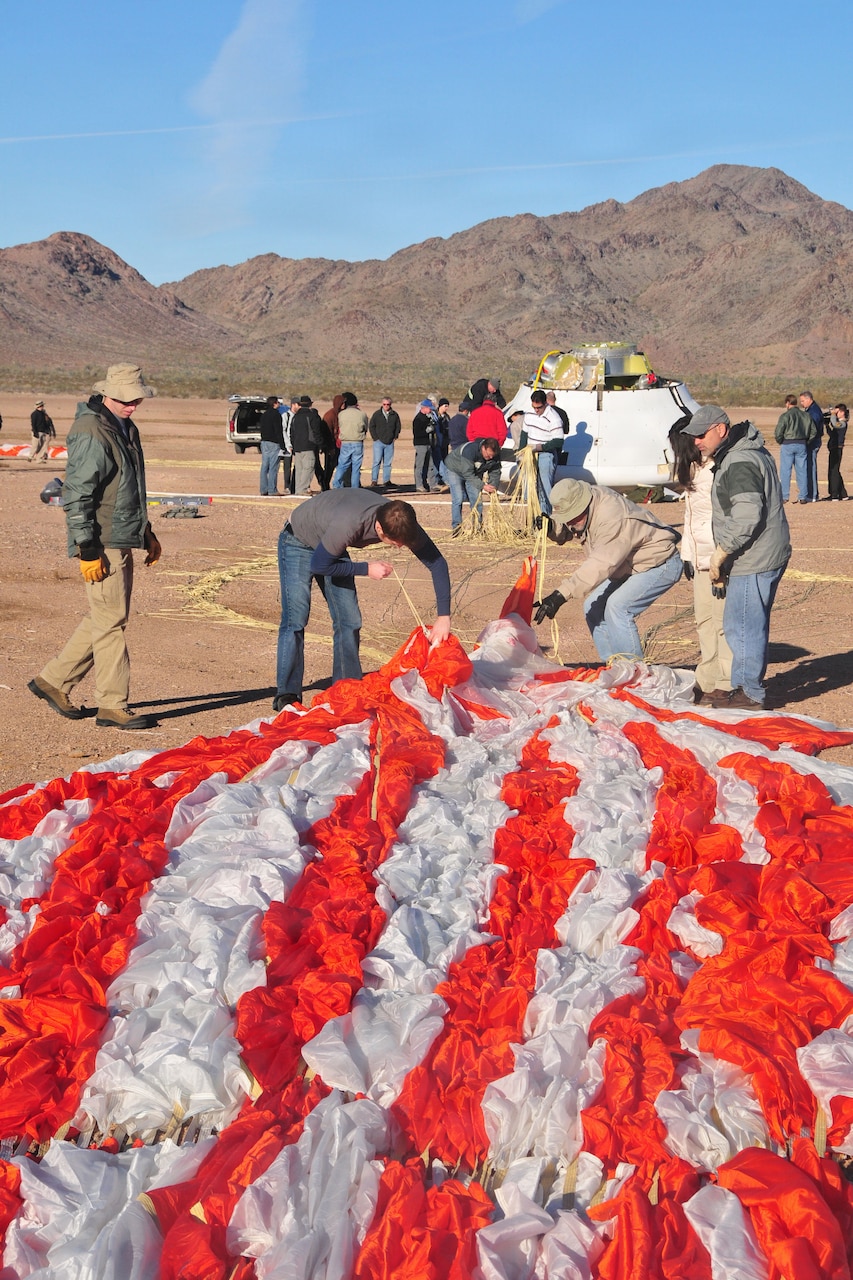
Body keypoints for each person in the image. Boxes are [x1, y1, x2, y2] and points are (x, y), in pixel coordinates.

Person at [28, 364, 160, 730]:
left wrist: (145, 530)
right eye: (125, 400)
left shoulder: (124, 426)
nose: (132, 405)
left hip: (120, 534)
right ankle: (112, 705)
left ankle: (53, 681)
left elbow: (127, 487)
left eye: (136, 399)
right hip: (101, 540)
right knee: (111, 622)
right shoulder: (91, 431)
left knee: (105, 617)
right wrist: (87, 547)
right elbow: (77, 495)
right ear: (106, 395)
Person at [274, 491, 452, 710]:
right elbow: (319, 565)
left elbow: (437, 563)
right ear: (379, 529)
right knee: (296, 618)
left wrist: (444, 616)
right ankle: (288, 694)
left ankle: (346, 688)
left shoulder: (401, 519)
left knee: (349, 619)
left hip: (330, 544)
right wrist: (366, 568)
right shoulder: (349, 524)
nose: (399, 546)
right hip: (299, 540)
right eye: (394, 542)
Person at [680, 404, 790, 710]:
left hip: (754, 556)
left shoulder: (739, 460)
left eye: (701, 435)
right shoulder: (743, 452)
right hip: (760, 552)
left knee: (742, 624)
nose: (696, 442)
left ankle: (748, 693)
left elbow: (746, 516)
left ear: (720, 429)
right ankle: (742, 687)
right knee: (742, 621)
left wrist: (722, 553)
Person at [533, 479, 682, 662]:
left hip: (659, 563)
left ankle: (634, 672)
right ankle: (613, 666)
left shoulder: (612, 515)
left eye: (573, 515)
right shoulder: (586, 503)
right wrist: (552, 528)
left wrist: (560, 595)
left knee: (618, 607)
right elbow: (572, 528)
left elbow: (601, 563)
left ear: (584, 505)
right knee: (592, 607)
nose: (570, 522)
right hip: (627, 566)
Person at [668, 420, 732, 704]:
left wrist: (723, 561)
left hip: (719, 560)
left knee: (722, 623)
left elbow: (726, 520)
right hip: (699, 559)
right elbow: (691, 518)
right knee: (704, 620)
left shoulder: (718, 469)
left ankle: (727, 682)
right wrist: (686, 555)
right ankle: (707, 679)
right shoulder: (694, 469)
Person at [520, 389, 565, 515]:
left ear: (545, 404)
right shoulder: (529, 414)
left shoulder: (554, 418)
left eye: (539, 407)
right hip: (530, 453)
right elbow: (524, 433)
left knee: (545, 487)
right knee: (530, 488)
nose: (536, 410)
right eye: (534, 407)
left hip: (546, 453)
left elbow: (558, 441)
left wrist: (540, 447)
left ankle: (547, 516)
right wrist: (521, 451)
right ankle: (533, 517)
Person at [445, 437, 501, 532]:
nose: (491, 458)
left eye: (492, 456)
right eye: (488, 455)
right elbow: (468, 474)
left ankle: (477, 528)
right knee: (458, 499)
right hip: (455, 470)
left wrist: (493, 485)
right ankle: (457, 528)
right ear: (483, 448)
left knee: (477, 501)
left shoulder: (494, 455)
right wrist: (483, 486)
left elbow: (495, 471)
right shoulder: (470, 451)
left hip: (474, 472)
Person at [774, 394, 815, 503]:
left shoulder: (785, 416)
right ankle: (802, 496)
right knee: (802, 471)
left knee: (785, 471)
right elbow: (813, 432)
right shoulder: (806, 415)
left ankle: (784, 496)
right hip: (801, 444)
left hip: (787, 444)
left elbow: (778, 431)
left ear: (787, 403)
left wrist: (780, 440)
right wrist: (806, 441)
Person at [332, 392, 368, 489]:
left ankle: (336, 485)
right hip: (357, 442)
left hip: (346, 442)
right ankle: (355, 487)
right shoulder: (362, 414)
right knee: (356, 467)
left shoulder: (341, 414)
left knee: (342, 465)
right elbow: (365, 427)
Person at [290, 395, 323, 495]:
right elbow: (316, 432)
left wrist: (293, 445)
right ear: (310, 404)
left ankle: (298, 489)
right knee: (308, 468)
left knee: (299, 469)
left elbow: (292, 433)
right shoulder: (311, 416)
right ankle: (302, 489)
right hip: (309, 445)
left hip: (297, 446)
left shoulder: (295, 417)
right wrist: (320, 444)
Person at [369, 395, 402, 489]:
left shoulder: (394, 415)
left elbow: (398, 426)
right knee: (376, 462)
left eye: (388, 404)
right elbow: (371, 426)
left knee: (387, 463)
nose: (386, 406)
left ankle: (386, 481)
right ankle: (374, 480)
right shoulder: (377, 414)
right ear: (382, 404)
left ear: (391, 404)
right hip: (378, 442)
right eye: (384, 404)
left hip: (390, 442)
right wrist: (375, 438)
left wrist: (395, 436)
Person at [799, 390, 824, 502]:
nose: (801, 403)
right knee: (809, 466)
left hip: (813, 442)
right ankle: (811, 493)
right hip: (812, 441)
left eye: (803, 401)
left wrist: (807, 440)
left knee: (811, 466)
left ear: (809, 399)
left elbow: (812, 428)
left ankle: (813, 494)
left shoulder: (814, 411)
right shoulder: (811, 410)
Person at [258, 395, 285, 495]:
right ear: (274, 404)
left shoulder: (264, 415)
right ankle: (272, 489)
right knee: (273, 467)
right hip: (274, 443)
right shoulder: (276, 415)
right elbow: (279, 431)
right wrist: (282, 445)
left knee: (265, 466)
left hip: (264, 442)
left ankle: (263, 489)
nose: (279, 404)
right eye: (277, 402)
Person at [412, 400, 438, 493]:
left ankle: (432, 484)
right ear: (424, 408)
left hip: (428, 444)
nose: (431, 410)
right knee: (420, 465)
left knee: (430, 465)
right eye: (429, 409)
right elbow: (417, 433)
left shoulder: (428, 418)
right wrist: (426, 430)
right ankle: (419, 485)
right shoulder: (418, 419)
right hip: (420, 444)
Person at [827, 404, 848, 500]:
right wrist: (827, 425)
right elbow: (832, 433)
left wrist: (832, 415)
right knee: (834, 470)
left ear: (842, 412)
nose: (836, 414)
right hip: (833, 447)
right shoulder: (839, 423)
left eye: (837, 412)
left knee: (834, 471)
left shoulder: (843, 423)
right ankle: (843, 494)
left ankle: (835, 494)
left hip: (837, 448)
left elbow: (835, 424)